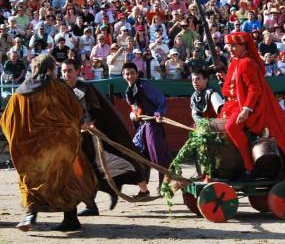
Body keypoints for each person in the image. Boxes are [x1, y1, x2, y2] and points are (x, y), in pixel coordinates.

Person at [0, 55, 96, 231]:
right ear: (51, 69)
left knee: (30, 179)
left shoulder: (21, 92)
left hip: (33, 150)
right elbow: (76, 111)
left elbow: (7, 121)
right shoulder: (61, 88)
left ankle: (30, 214)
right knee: (66, 178)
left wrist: (20, 140)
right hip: (61, 146)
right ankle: (70, 218)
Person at [61, 59, 151, 217]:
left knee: (106, 165)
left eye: (69, 70)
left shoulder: (84, 88)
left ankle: (138, 188)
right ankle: (93, 204)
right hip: (75, 138)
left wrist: (88, 124)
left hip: (91, 138)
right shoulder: (63, 90)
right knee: (85, 172)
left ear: (77, 71)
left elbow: (95, 111)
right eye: (63, 71)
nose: (66, 74)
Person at [216, 32, 285, 179]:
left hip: (248, 106)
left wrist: (246, 109)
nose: (230, 49)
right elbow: (236, 84)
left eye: (234, 45)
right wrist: (226, 78)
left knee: (231, 127)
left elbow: (254, 89)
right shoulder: (236, 61)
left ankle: (249, 165)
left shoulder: (247, 63)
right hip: (234, 104)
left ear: (243, 46)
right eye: (229, 46)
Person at [122, 62, 172, 189]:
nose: (130, 76)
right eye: (127, 74)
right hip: (142, 126)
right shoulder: (128, 91)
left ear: (137, 74)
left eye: (132, 73)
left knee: (157, 155)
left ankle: (164, 183)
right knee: (135, 153)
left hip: (152, 124)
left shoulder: (144, 86)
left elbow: (161, 100)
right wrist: (132, 115)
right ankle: (143, 187)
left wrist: (158, 113)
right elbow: (135, 109)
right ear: (123, 76)